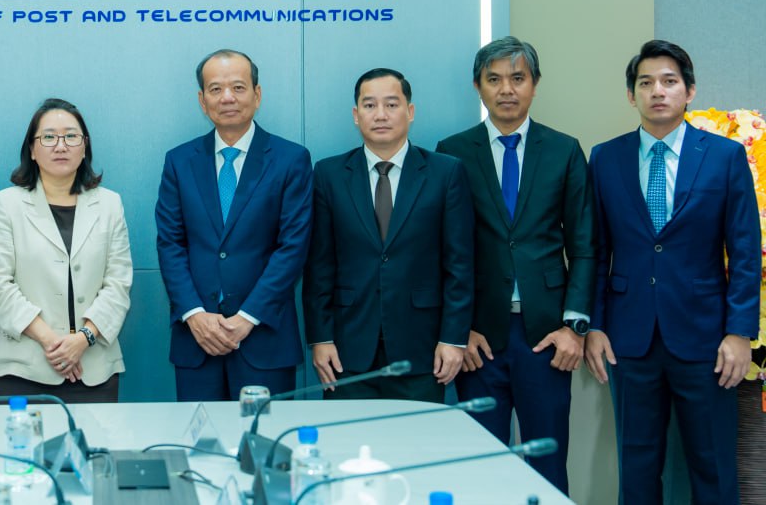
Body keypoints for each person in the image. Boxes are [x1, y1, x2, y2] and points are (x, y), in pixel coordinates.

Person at [584, 40, 760, 505]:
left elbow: (744, 251)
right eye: (645, 83)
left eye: (669, 81)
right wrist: (595, 325)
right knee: (637, 468)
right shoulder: (605, 158)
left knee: (713, 465)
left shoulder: (724, 156)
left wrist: (740, 332)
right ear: (631, 95)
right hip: (629, 339)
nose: (657, 91)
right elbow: (596, 251)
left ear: (689, 91)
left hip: (707, 339)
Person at [435, 37, 593, 493]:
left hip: (546, 337)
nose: (507, 89)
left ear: (535, 85)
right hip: (478, 340)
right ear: (478, 87)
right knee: (481, 469)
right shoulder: (452, 151)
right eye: (494, 79)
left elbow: (585, 246)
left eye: (518, 78)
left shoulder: (563, 150)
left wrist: (574, 328)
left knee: (547, 464)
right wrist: (457, 330)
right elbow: (442, 250)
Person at [303, 68, 472, 402]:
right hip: (347, 352)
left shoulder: (445, 172)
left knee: (417, 435)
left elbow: (460, 264)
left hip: (423, 350)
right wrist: (320, 338)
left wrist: (453, 338)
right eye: (369, 105)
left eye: (391, 105)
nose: (380, 115)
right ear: (356, 115)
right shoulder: (329, 174)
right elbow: (319, 265)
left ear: (410, 111)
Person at [155, 50, 313, 400]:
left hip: (264, 338)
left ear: (257, 94)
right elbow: (170, 244)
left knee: (265, 434)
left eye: (238, 87)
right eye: (216, 89)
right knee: (200, 434)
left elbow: (293, 247)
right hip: (197, 339)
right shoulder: (179, 161)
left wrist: (247, 317)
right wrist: (195, 315)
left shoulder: (291, 160)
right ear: (202, 100)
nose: (227, 97)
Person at [0, 98, 133, 401]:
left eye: (71, 136)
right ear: (32, 149)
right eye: (49, 137)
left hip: (94, 367)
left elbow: (118, 284)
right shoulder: (6, 204)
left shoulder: (109, 204)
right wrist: (53, 343)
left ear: (84, 146)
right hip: (22, 370)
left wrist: (83, 339)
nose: (61, 146)